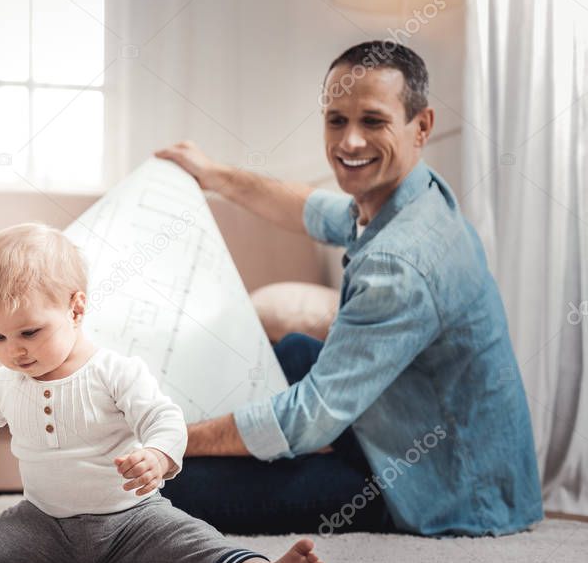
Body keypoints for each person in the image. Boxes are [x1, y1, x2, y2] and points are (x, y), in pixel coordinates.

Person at [155, 41, 543, 537]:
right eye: (336, 120)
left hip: (445, 486)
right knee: (295, 350)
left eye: (374, 122)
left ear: (421, 126)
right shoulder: (411, 195)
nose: (351, 141)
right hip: (421, 428)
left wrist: (171, 442)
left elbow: (307, 420)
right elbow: (307, 207)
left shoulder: (399, 263)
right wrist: (214, 175)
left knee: (176, 488)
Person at [0, 223, 328, 563]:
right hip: (44, 523)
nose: (14, 351)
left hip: (131, 520)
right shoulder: (5, 383)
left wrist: (159, 456)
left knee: (195, 544)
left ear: (77, 308)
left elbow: (162, 419)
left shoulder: (115, 371)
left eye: (29, 332)